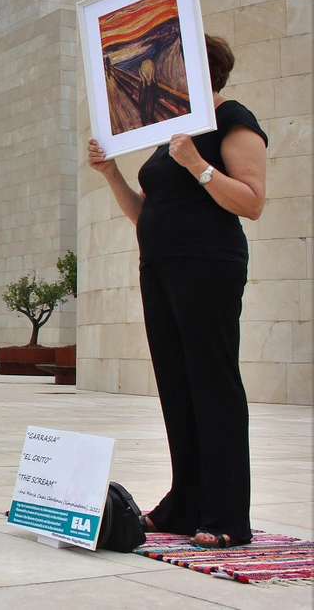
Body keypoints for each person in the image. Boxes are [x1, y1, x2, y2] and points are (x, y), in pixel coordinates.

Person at [87, 35, 267, 550]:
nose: (162, 69)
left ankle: (228, 516)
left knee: (212, 382)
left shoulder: (231, 119)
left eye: (173, 61)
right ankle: (185, 504)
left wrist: (196, 164)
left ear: (203, 70)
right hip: (160, 267)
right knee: (176, 383)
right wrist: (111, 174)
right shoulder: (170, 127)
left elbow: (252, 202)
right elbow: (147, 213)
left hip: (208, 266)